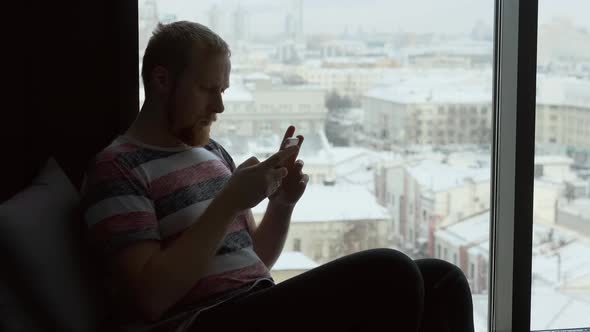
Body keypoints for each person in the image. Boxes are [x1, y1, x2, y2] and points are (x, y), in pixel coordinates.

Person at [81, 21, 475, 332]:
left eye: (223, 90)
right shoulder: (118, 168)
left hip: (254, 303)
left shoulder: (211, 152)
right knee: (390, 273)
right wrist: (230, 201)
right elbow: (151, 298)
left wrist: (281, 204)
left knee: (443, 280)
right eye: (207, 89)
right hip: (196, 322)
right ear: (161, 81)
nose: (219, 105)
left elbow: (255, 260)